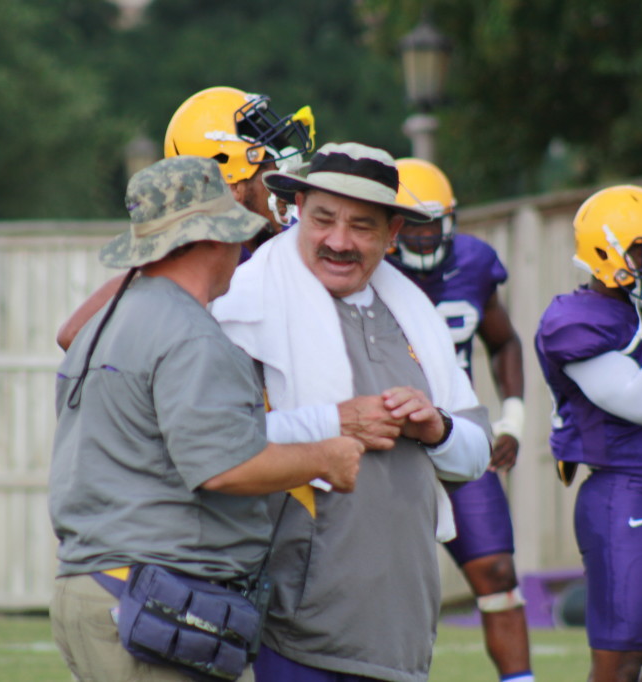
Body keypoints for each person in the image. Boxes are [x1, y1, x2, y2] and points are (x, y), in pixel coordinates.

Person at [47, 155, 364, 682]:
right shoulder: (191, 335)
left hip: (95, 586)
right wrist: (326, 457)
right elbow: (224, 467)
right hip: (151, 599)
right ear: (213, 239)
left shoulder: (105, 323)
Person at [210, 142, 492, 682]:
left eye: (362, 226)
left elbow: (475, 456)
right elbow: (218, 444)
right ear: (297, 211)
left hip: (403, 631)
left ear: (392, 234)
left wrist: (437, 428)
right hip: (294, 632)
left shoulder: (415, 314)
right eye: (323, 219)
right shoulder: (245, 303)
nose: (339, 241)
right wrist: (335, 421)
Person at [534, 185, 642, 682]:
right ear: (605, 253)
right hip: (620, 496)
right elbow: (641, 402)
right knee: (619, 666)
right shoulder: (574, 321)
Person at [388, 158, 534, 682]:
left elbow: (504, 341)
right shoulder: (367, 266)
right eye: (413, 224)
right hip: (388, 442)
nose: (423, 237)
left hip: (455, 432)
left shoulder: (473, 263)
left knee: (497, 571)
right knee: (383, 583)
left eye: (433, 224)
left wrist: (512, 419)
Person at [55, 85, 315, 351]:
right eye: (271, 172)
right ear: (231, 186)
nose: (285, 187)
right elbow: (73, 335)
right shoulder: (197, 264)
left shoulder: (296, 242)